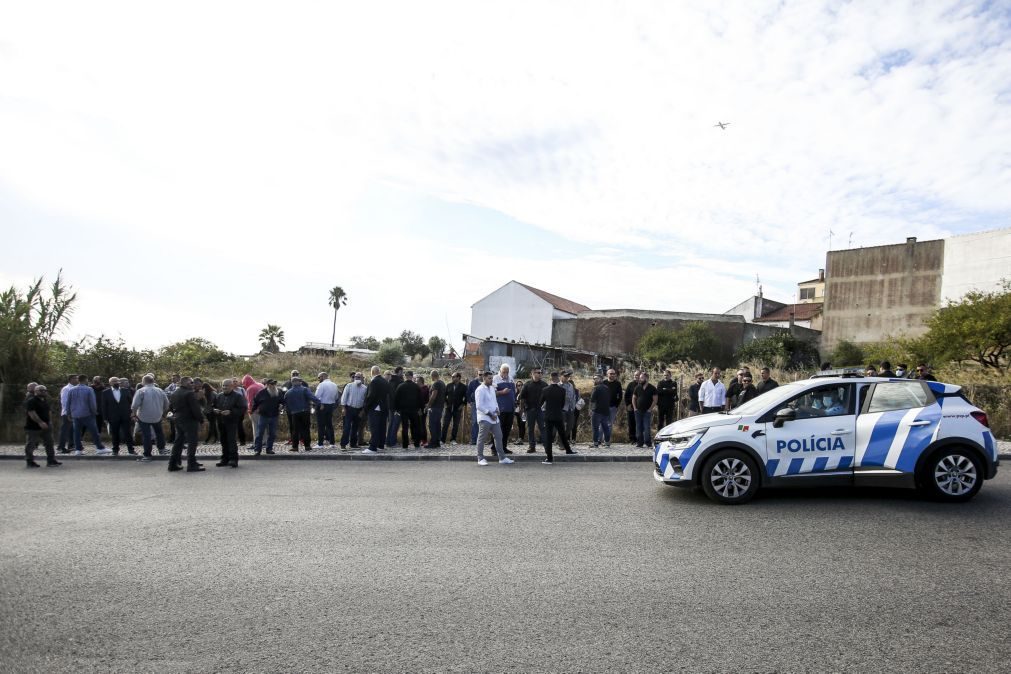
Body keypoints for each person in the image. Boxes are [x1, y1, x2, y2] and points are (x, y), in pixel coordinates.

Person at [474, 370, 514, 466]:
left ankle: (502, 458)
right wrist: (489, 414)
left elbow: (494, 401)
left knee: (499, 437)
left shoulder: (492, 388)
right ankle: (480, 458)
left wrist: (497, 409)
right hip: (485, 418)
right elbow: (479, 406)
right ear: (484, 378)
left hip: (495, 417)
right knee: (482, 438)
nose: (491, 380)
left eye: (492, 378)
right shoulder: (480, 389)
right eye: (489, 378)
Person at [168, 377, 205, 472]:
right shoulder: (189, 393)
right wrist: (201, 419)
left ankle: (172, 464)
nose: (193, 384)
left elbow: (170, 407)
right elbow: (195, 409)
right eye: (191, 382)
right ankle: (191, 465)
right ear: (186, 383)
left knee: (178, 442)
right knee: (192, 442)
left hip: (178, 419)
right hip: (189, 420)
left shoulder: (175, 392)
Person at [67, 374, 110, 456]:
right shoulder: (89, 389)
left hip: (75, 414)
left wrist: (69, 413)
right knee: (94, 431)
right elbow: (92, 403)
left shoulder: (71, 390)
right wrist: (94, 411)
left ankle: (78, 449)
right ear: (85, 380)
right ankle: (99, 447)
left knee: (76, 433)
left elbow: (68, 403)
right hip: (87, 414)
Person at [132, 374, 170, 462]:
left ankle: (147, 455)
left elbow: (134, 405)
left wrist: (134, 414)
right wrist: (163, 413)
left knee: (146, 435)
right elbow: (167, 403)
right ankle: (161, 449)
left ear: (143, 382)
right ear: (153, 381)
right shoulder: (160, 390)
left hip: (143, 416)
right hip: (157, 415)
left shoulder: (141, 391)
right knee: (159, 432)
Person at [541, 371, 575, 463]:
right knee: (562, 433)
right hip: (559, 415)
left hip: (548, 415)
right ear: (558, 378)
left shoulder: (545, 390)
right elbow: (562, 404)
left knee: (549, 437)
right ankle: (568, 450)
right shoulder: (562, 390)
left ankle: (549, 457)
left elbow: (541, 403)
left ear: (550, 378)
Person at [213, 378, 247, 467]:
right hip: (221, 421)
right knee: (223, 441)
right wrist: (214, 410)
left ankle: (233, 459)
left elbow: (243, 408)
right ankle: (224, 459)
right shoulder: (219, 396)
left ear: (232, 386)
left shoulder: (238, 396)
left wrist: (231, 412)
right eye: (223, 385)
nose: (224, 387)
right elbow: (213, 406)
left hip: (232, 421)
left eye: (227, 385)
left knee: (231, 441)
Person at [24, 385, 60, 468]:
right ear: (36, 391)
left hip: (46, 426)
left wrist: (49, 422)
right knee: (31, 444)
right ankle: (30, 461)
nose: (44, 392)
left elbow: (48, 412)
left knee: (49, 443)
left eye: (45, 390)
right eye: (41, 390)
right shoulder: (31, 401)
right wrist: (40, 422)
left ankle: (51, 460)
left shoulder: (44, 401)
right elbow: (31, 413)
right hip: (33, 427)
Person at [101, 377, 135, 455]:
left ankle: (131, 450)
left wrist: (132, 413)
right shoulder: (105, 392)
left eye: (117, 381)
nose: (116, 382)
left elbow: (131, 403)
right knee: (115, 434)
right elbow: (104, 406)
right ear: (110, 383)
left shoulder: (125, 391)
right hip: (113, 416)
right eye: (113, 381)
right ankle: (115, 450)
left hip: (125, 415)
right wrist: (105, 418)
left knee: (128, 433)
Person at [285, 377, 320, 452]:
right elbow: (312, 397)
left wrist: (290, 410)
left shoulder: (288, 392)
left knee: (295, 430)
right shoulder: (305, 389)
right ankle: (307, 446)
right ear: (299, 382)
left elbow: (286, 403)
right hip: (305, 412)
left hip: (294, 413)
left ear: (292, 382)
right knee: (305, 429)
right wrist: (319, 403)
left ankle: (295, 447)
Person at [362, 365, 391, 454]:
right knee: (382, 427)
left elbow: (371, 396)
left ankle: (372, 447)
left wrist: (365, 407)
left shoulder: (374, 382)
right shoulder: (385, 381)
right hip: (384, 408)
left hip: (375, 407)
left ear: (372, 372)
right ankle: (381, 445)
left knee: (374, 427)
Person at [252, 379, 285, 455]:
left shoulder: (278, 392)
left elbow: (283, 401)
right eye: (271, 384)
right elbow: (255, 401)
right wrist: (254, 410)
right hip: (263, 416)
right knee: (260, 433)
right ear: (267, 385)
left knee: (272, 434)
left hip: (274, 416)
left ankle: (269, 449)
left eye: (274, 384)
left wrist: (282, 406)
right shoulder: (261, 393)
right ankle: (257, 450)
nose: (273, 386)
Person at [518, 368, 547, 453]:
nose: (540, 374)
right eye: (538, 372)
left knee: (543, 428)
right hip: (530, 410)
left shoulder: (544, 384)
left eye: (541, 372)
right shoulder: (527, 385)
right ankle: (532, 446)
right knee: (530, 429)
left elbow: (548, 397)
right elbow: (522, 398)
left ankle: (546, 446)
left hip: (540, 410)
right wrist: (521, 410)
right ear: (532, 374)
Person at [393, 371, 424, 449]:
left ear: (405, 376)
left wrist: (397, 409)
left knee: (405, 427)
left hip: (404, 410)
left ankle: (405, 444)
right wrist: (421, 408)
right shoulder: (416, 387)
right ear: (412, 376)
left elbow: (396, 398)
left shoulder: (400, 386)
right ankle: (416, 443)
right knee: (416, 426)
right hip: (414, 410)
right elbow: (420, 398)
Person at [493, 365, 516, 454]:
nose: (505, 374)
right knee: (498, 429)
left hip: (510, 409)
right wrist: (502, 392)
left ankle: (504, 447)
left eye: (507, 372)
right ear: (500, 370)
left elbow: (514, 392)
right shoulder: (495, 378)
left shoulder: (511, 379)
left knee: (507, 429)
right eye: (504, 372)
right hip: (500, 409)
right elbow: (492, 393)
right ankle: (494, 449)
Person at [340, 372, 367, 449]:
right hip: (349, 409)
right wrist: (343, 408)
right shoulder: (349, 386)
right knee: (347, 427)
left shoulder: (365, 388)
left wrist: (362, 411)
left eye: (359, 377)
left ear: (362, 378)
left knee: (355, 428)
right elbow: (344, 397)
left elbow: (365, 401)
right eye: (356, 377)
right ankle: (343, 444)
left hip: (359, 410)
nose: (357, 378)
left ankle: (353, 444)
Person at [314, 372, 339, 448]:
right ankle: (332, 443)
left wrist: (319, 404)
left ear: (322, 377)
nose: (318, 379)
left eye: (319, 377)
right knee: (329, 425)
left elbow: (316, 396)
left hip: (322, 406)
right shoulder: (334, 385)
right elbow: (336, 397)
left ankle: (320, 444)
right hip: (330, 406)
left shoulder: (321, 385)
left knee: (321, 425)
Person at [441, 372, 467, 445]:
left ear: (458, 377)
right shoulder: (448, 385)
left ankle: (453, 440)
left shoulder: (463, 387)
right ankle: (442, 440)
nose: (452, 378)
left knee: (455, 425)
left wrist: (462, 405)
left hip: (457, 409)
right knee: (445, 424)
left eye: (454, 376)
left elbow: (466, 397)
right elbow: (444, 395)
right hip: (448, 408)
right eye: (452, 377)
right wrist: (445, 404)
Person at [632, 372, 657, 448]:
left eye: (642, 378)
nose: (640, 379)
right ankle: (639, 443)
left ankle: (648, 443)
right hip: (638, 411)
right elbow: (633, 398)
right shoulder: (637, 387)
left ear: (646, 378)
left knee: (646, 427)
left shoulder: (652, 388)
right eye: (639, 378)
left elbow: (655, 400)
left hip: (647, 411)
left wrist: (650, 409)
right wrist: (635, 408)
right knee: (638, 427)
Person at [57, 375, 78, 453]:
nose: (77, 380)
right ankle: (61, 447)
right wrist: (69, 412)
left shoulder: (75, 388)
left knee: (72, 430)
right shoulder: (66, 389)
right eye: (75, 378)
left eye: (77, 378)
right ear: (70, 379)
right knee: (65, 430)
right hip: (67, 413)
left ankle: (71, 445)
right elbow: (64, 401)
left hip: (74, 412)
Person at [589, 374, 612, 448]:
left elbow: (592, 400)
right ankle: (607, 443)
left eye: (596, 378)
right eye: (594, 378)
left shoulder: (596, 388)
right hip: (605, 411)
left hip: (597, 411)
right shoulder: (607, 388)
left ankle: (595, 444)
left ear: (601, 379)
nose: (595, 380)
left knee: (595, 428)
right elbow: (609, 399)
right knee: (606, 428)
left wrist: (590, 409)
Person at [243, 374, 265, 447]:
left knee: (255, 427)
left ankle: (256, 443)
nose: (243, 385)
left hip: (255, 411)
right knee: (263, 426)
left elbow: (250, 401)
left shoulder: (250, 388)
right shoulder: (260, 385)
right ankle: (264, 441)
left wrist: (249, 410)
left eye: (244, 383)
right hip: (264, 409)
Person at [425, 370, 446, 449]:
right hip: (440, 407)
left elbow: (433, 396)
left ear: (432, 376)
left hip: (434, 407)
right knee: (437, 425)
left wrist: (428, 405)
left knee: (432, 425)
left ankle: (433, 442)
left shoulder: (436, 383)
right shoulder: (442, 383)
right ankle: (437, 441)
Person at [385, 367, 405, 447]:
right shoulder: (399, 381)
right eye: (402, 372)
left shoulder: (390, 381)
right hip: (397, 407)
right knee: (395, 424)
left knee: (390, 424)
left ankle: (388, 441)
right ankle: (392, 442)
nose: (403, 373)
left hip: (390, 406)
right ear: (399, 372)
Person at [466, 369, 482, 445]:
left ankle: (481, 440)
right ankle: (474, 439)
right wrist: (470, 402)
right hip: (475, 404)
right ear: (477, 374)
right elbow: (468, 393)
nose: (481, 376)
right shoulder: (472, 383)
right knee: (475, 421)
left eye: (482, 374)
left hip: (484, 404)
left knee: (483, 422)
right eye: (480, 374)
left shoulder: (487, 383)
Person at [624, 371, 640, 445]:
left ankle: (639, 438)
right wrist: (628, 405)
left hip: (641, 407)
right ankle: (632, 439)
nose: (636, 376)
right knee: (631, 423)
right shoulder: (630, 384)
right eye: (635, 375)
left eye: (637, 375)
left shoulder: (644, 384)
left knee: (640, 423)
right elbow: (626, 395)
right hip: (632, 407)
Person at [561, 371, 577, 442]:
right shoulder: (558, 385)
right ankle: (561, 442)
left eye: (568, 376)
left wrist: (573, 407)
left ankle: (562, 439)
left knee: (570, 426)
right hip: (562, 409)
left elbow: (573, 397)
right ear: (561, 376)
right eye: (565, 376)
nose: (567, 377)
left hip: (570, 409)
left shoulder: (571, 385)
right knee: (561, 427)